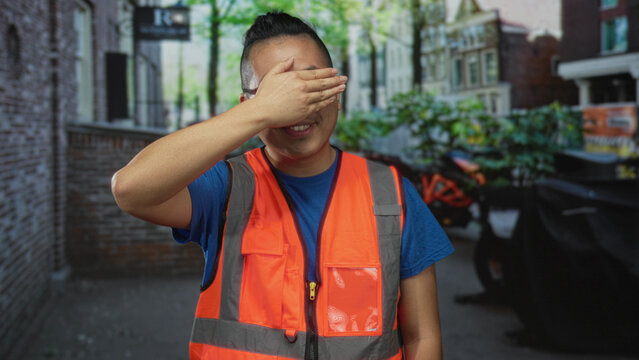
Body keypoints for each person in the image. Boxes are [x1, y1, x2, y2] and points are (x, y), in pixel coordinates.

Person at [112, 11, 453, 360]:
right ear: (252, 105)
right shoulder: (225, 189)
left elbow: (422, 337)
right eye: (280, 92)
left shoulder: (394, 196)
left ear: (337, 91)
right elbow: (130, 189)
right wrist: (259, 112)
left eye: (310, 86)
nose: (297, 106)